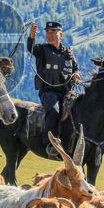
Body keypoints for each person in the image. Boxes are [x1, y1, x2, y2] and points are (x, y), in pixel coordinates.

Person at [27, 21, 81, 159]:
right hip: (49, 92)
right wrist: (32, 35)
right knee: (54, 112)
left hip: (67, 92)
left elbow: (75, 68)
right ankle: (50, 144)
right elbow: (30, 48)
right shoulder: (42, 50)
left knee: (81, 110)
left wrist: (76, 74)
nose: (49, 34)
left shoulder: (68, 52)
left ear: (60, 34)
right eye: (47, 32)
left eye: (53, 32)